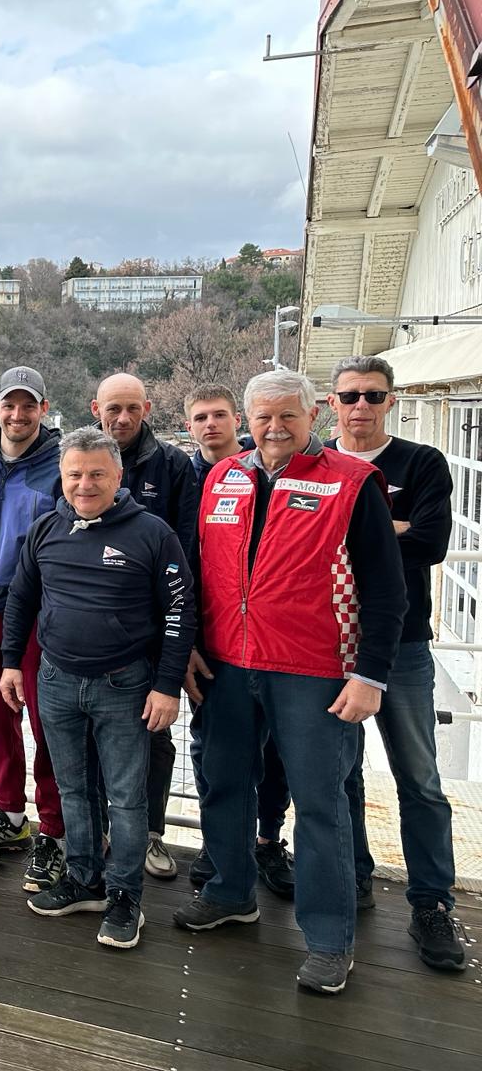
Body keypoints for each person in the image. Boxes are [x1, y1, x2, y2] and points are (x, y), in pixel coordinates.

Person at [174, 369, 405, 995]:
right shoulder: (223, 477)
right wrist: (188, 646)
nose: (274, 428)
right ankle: (230, 892)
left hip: (313, 670)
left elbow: (387, 591)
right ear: (248, 421)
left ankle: (329, 941)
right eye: (263, 417)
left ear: (313, 417)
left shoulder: (350, 483)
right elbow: (199, 570)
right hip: (226, 663)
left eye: (288, 416)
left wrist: (370, 675)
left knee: (321, 803)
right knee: (224, 783)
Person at [1, 428, 190, 951]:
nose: (84, 484)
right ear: (62, 477)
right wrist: (11, 663)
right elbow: (21, 599)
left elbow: (180, 613)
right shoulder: (46, 529)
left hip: (125, 685)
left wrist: (167, 686)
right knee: (73, 788)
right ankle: (85, 879)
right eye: (75, 474)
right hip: (56, 680)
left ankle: (125, 896)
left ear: (118, 476)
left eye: (96, 474)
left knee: (126, 799)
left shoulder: (153, 533)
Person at [325, 356, 466, 971]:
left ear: (391, 401)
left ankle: (431, 903)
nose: (361, 405)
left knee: (420, 780)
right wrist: (389, 528)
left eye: (373, 395)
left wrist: (352, 534)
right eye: (350, 395)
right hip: (330, 643)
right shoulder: (316, 464)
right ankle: (354, 876)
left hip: (403, 645)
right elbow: (304, 545)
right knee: (339, 775)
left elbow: (431, 542)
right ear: (332, 403)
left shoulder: (422, 463)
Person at [181, 386, 294, 901]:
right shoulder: (186, 476)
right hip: (213, 646)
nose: (210, 424)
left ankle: (267, 840)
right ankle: (221, 849)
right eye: (200, 417)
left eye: (219, 415)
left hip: (279, 646)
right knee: (213, 753)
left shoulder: (269, 472)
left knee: (276, 755)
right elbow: (187, 561)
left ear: (237, 420)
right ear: (189, 426)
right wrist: (187, 640)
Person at [91, 372, 199, 880]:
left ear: (147, 409)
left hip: (153, 628)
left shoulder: (173, 465)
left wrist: (182, 632)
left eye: (132, 408)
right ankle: (100, 829)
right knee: (92, 731)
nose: (123, 418)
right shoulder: (83, 459)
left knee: (154, 733)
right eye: (113, 408)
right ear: (96, 409)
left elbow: (188, 550)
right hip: (95, 624)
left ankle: (152, 833)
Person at [0, 366, 67, 892]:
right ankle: (11, 815)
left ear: (43, 409)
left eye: (28, 405)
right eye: (9, 405)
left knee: (48, 724)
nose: (18, 415)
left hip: (39, 616)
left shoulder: (61, 468)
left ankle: (55, 831)